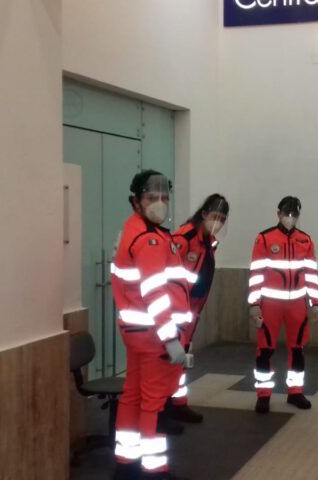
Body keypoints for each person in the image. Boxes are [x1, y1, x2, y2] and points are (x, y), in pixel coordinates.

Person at [111, 170, 196, 480]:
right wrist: (170, 338)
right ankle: (154, 470)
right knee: (154, 403)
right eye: (152, 197)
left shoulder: (136, 229)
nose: (160, 203)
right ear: (136, 201)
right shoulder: (148, 238)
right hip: (153, 336)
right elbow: (154, 293)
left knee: (133, 395)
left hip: (137, 332)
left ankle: (126, 464)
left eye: (164, 197)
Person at [248, 196, 318, 414]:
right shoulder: (264, 238)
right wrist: (254, 304)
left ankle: (295, 391)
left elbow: (311, 275)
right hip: (270, 304)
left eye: (294, 215)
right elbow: (256, 274)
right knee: (265, 350)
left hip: (297, 305)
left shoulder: (305, 241)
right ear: (278, 213)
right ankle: (263, 394)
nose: (290, 218)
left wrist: (315, 302)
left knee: (297, 349)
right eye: (286, 214)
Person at [166, 194, 230, 424]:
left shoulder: (208, 241)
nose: (218, 221)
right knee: (168, 359)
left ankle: (178, 403)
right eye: (215, 216)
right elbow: (167, 275)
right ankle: (163, 407)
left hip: (192, 309)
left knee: (181, 358)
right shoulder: (184, 237)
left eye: (222, 218)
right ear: (204, 213)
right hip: (174, 310)